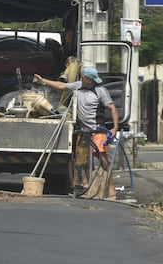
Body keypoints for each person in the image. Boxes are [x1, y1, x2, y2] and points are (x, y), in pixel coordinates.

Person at [33, 66, 119, 198]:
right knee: (82, 160)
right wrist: (43, 80)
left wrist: (115, 127)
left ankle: (111, 190)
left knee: (103, 160)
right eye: (90, 80)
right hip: (83, 131)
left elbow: (112, 108)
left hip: (98, 130)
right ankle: (86, 187)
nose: (92, 82)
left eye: (93, 80)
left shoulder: (100, 91)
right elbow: (61, 86)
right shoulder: (78, 86)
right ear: (83, 78)